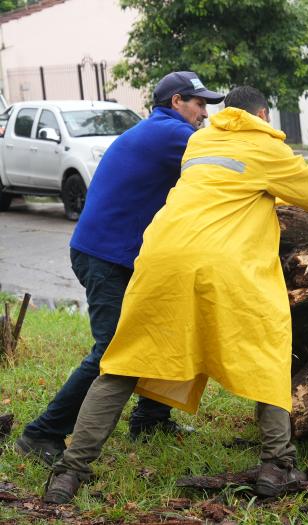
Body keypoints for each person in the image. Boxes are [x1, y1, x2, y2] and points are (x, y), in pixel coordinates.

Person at [42, 86, 308, 504]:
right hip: (224, 268)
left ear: (225, 112)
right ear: (263, 115)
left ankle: (69, 473)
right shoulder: (264, 147)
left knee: (123, 363)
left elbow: (237, 183)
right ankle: (278, 465)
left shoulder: (201, 140)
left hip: (161, 259)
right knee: (268, 354)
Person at [16, 72, 225, 465]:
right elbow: (229, 161)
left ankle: (150, 418)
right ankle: (41, 433)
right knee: (112, 351)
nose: (205, 113)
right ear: (176, 101)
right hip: (105, 258)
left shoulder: (159, 131)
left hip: (122, 255)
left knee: (162, 331)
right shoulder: (170, 134)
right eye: (200, 104)